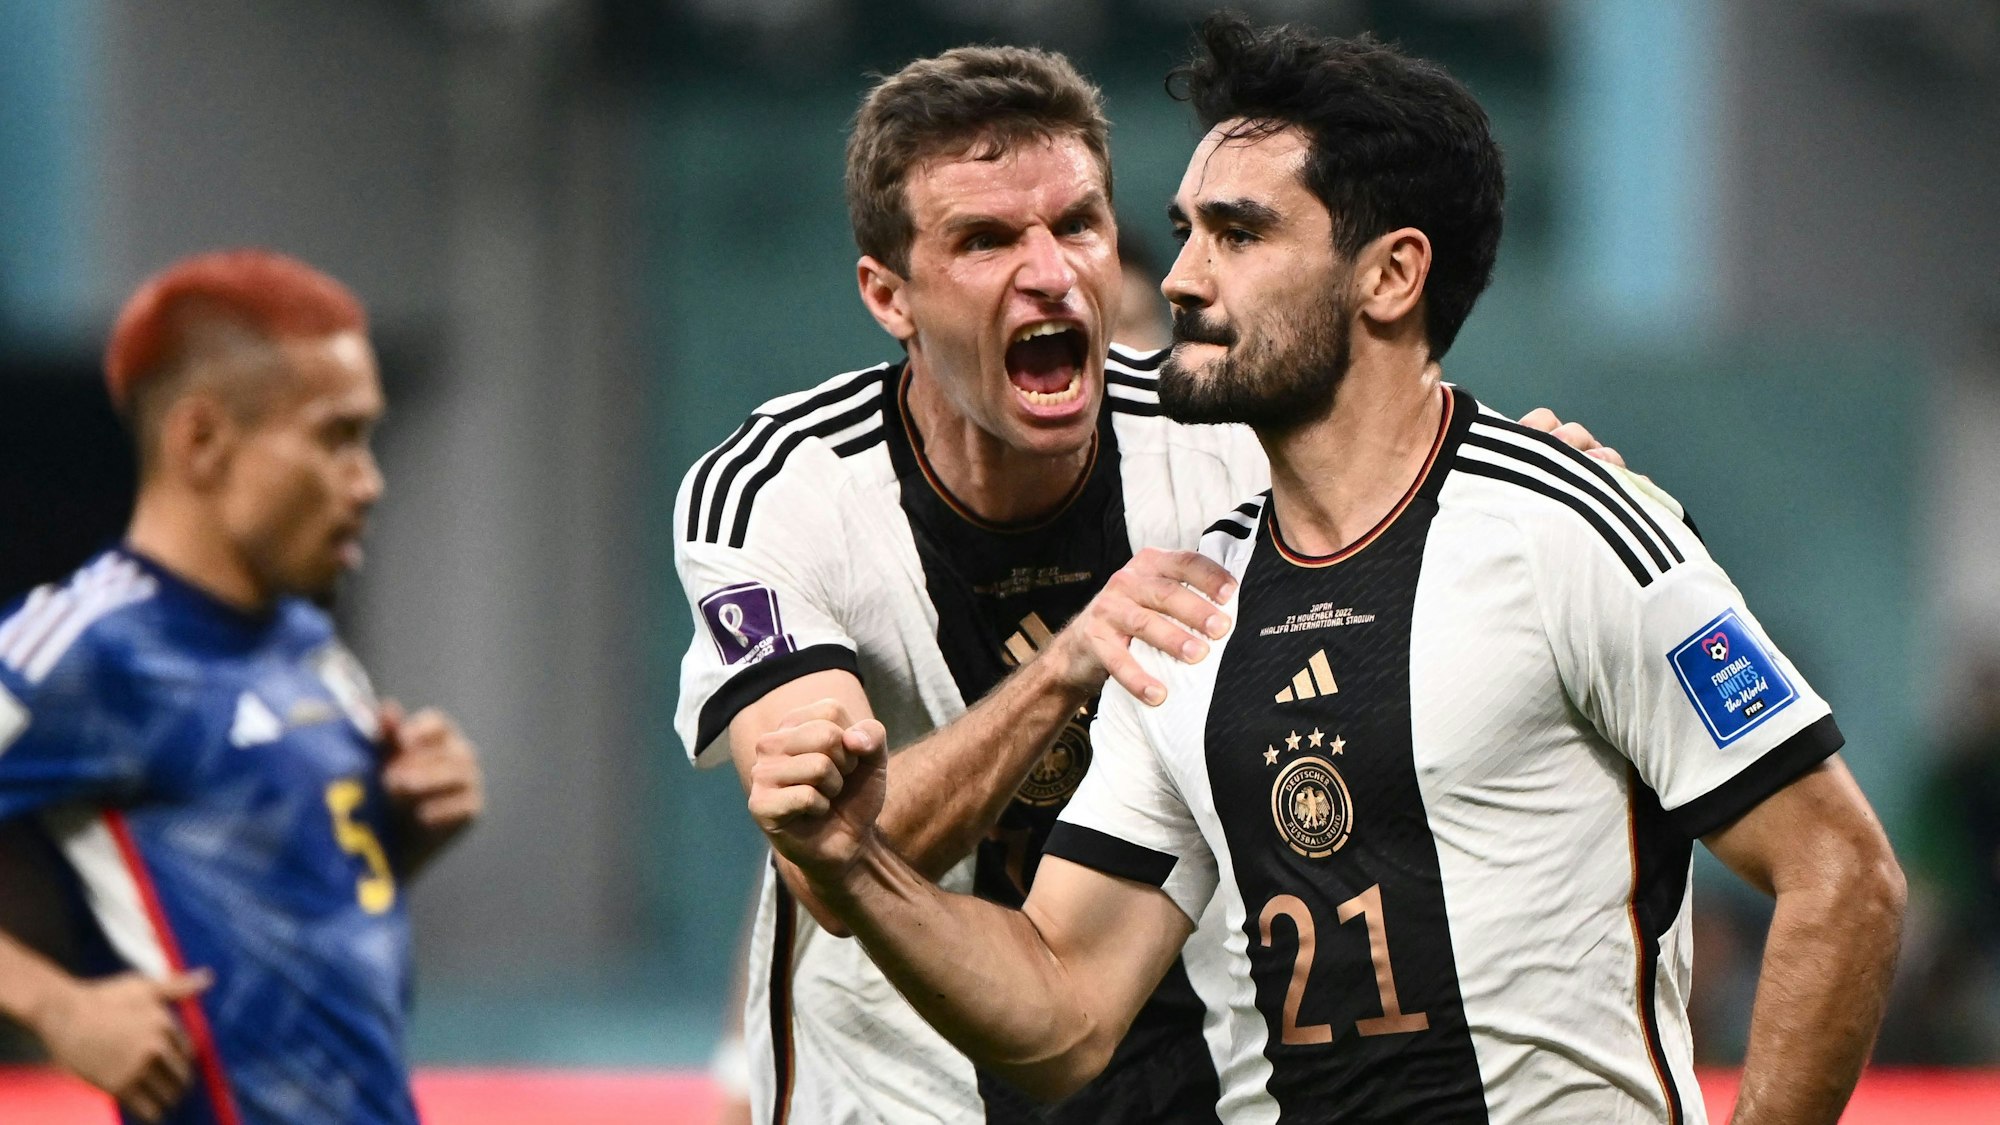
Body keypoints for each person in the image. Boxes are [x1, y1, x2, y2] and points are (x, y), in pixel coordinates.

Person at [744, 15, 1906, 1125]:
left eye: (1238, 235)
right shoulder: (1185, 607)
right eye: (1187, 230)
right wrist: (858, 870)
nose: (1182, 281)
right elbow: (1059, 1014)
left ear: (1390, 276)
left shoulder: (1567, 527)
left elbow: (1840, 878)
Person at [676, 42, 1618, 1124]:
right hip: (904, 1095)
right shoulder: (776, 492)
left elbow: (1411, 458)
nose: (1050, 271)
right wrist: (1066, 665)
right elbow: (831, 856)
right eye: (984, 239)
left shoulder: (1216, 435)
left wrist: (1546, 480)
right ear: (886, 294)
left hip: (1194, 1083)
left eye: (1077, 224)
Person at [0, 249, 484, 1124]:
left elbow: (293, 922)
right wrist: (58, 1005)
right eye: (337, 436)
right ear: (202, 440)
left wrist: (406, 829)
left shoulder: (309, 643)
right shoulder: (87, 646)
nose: (368, 482)